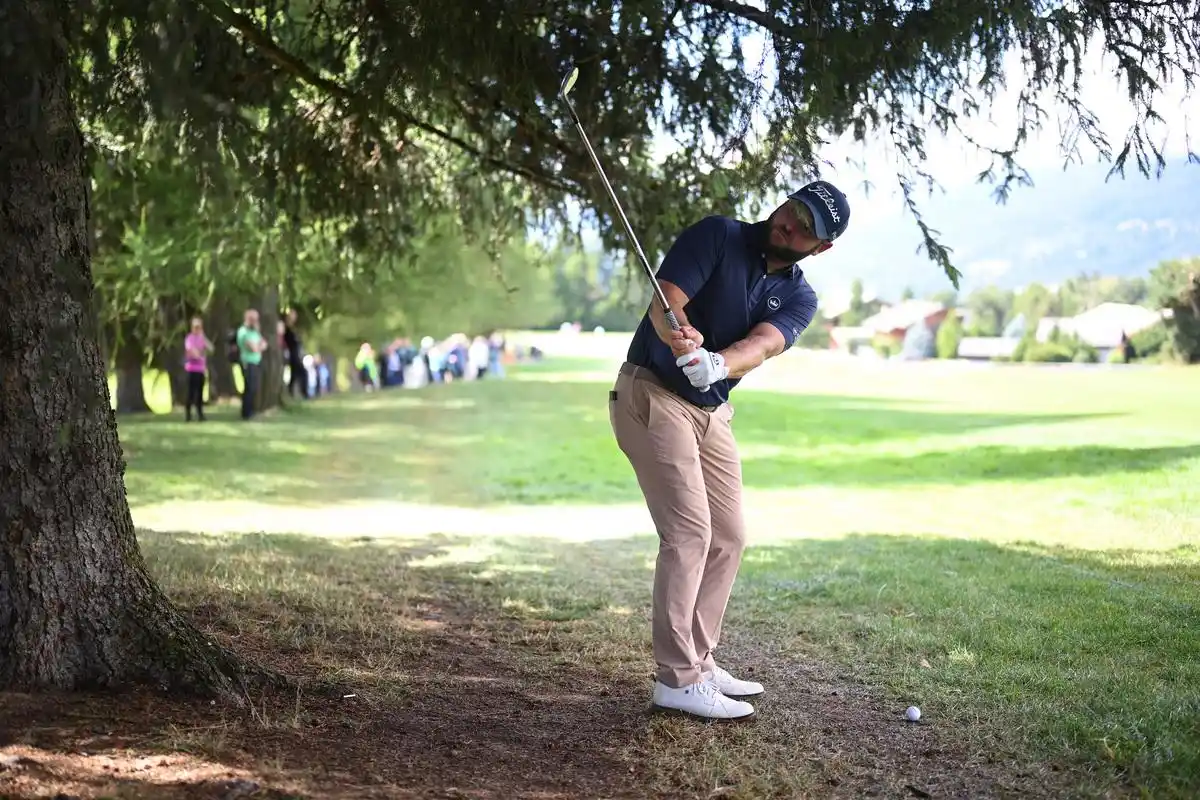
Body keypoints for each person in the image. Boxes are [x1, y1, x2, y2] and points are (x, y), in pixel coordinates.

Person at [608, 180, 851, 722]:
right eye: (793, 208)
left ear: (821, 247)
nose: (790, 223)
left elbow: (762, 344)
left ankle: (699, 658)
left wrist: (717, 363)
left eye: (807, 227)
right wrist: (681, 336)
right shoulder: (718, 235)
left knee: (730, 536)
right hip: (653, 392)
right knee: (690, 534)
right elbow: (666, 303)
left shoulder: (801, 296)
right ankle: (677, 680)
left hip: (711, 410)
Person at [236, 309, 268, 420]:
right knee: (249, 387)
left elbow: (264, 344)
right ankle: (246, 413)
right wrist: (258, 347)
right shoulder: (243, 331)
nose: (256, 322)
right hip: (248, 362)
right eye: (254, 319)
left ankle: (251, 410)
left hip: (256, 362)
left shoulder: (255, 332)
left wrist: (258, 346)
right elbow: (253, 348)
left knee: (254, 387)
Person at [183, 317, 213, 422]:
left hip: (201, 369)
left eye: (199, 327)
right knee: (191, 393)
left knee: (200, 393)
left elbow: (211, 349)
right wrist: (201, 353)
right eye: (195, 327)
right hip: (191, 369)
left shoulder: (202, 338)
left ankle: (200, 414)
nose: (197, 329)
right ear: (192, 328)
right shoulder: (189, 338)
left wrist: (204, 338)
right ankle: (188, 415)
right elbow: (193, 353)